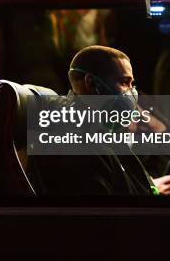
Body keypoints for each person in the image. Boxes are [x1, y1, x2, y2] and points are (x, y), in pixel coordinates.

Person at [32, 45, 157, 195]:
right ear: (92, 83)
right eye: (124, 82)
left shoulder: (100, 132)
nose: (132, 92)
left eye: (132, 84)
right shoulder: (77, 145)